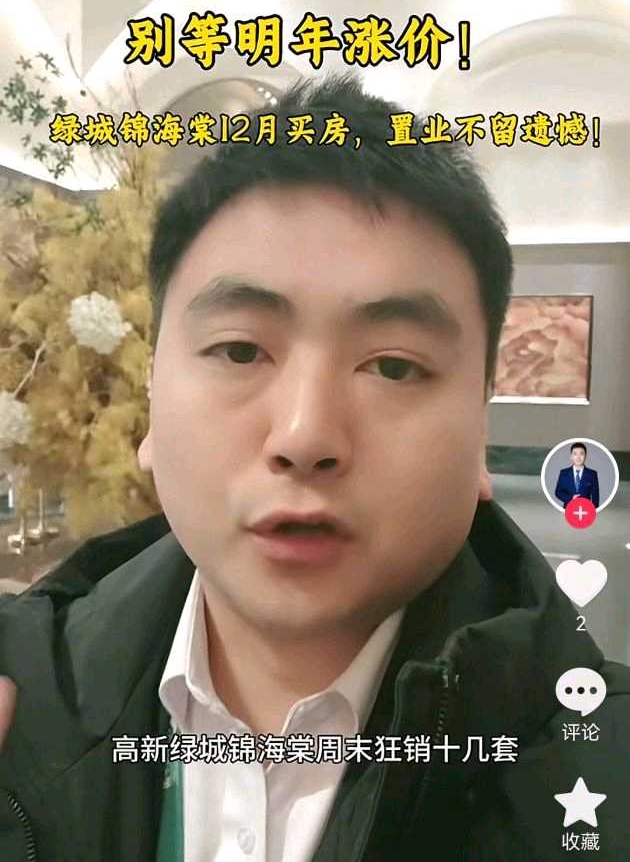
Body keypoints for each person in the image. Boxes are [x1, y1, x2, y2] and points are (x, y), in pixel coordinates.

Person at [1, 74, 629, 862]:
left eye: (393, 366)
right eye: (239, 349)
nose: (304, 434)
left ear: (481, 429)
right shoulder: (18, 702)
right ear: (152, 399)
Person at [555, 441, 601, 508]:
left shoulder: (592, 474)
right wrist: (571, 498)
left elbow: (595, 496)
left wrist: (594, 510)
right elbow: (558, 492)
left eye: (581, 454)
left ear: (585, 456)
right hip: (568, 508)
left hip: (586, 509)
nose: (578, 457)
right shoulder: (564, 473)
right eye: (575, 454)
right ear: (571, 456)